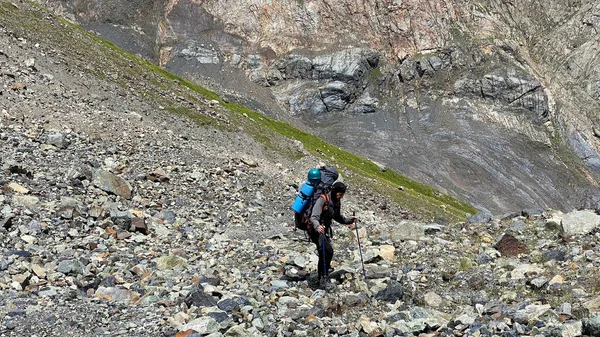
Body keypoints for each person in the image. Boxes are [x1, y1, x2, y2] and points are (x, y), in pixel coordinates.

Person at [309, 181, 357, 289]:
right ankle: (323, 279)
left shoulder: (335, 202)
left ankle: (322, 276)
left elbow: (337, 217)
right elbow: (313, 216)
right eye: (339, 194)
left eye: (342, 195)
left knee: (326, 252)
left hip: (324, 231)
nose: (340, 197)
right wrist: (317, 226)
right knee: (326, 252)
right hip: (316, 230)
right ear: (335, 191)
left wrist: (349, 221)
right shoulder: (323, 199)